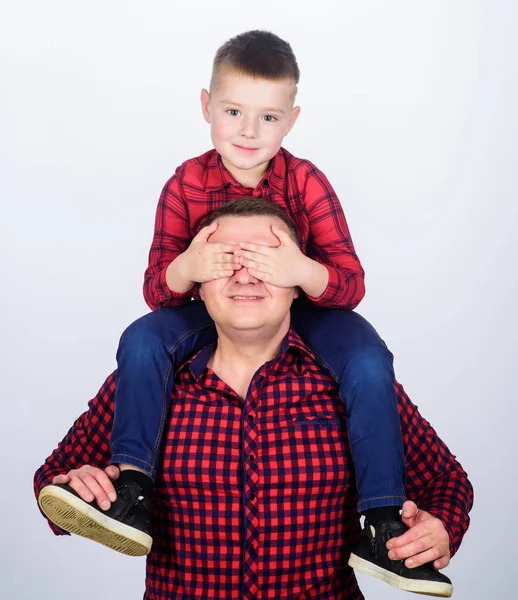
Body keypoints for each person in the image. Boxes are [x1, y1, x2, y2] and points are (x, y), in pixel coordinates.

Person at [40, 30, 426, 589]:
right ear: (206, 108)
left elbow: (350, 284)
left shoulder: (307, 182)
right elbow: (159, 291)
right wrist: (191, 263)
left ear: (291, 120)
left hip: (301, 309)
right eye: (234, 111)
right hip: (209, 310)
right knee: (142, 337)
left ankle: (382, 520)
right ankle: (132, 488)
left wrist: (299, 271)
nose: (249, 131)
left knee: (368, 355)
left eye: (269, 117)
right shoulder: (185, 184)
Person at [35, 200, 473, 599]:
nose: (245, 274)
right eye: (224, 260)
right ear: (196, 286)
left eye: (267, 259)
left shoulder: (357, 383)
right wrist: (74, 488)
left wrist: (441, 528)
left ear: (299, 286)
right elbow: (51, 480)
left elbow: (447, 480)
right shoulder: (147, 380)